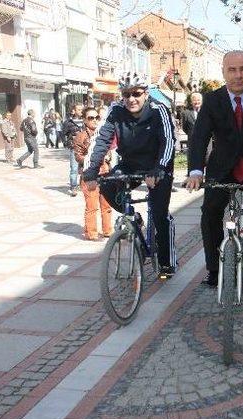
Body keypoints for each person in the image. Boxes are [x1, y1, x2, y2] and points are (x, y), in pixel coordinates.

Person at [184, 50, 243, 288]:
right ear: (224, 72)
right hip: (222, 169)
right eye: (232, 70)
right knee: (210, 214)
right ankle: (214, 269)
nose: (238, 75)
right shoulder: (212, 100)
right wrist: (196, 171)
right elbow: (199, 137)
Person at [83, 71, 177, 277]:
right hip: (130, 163)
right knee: (107, 186)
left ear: (145, 93)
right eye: (126, 94)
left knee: (159, 213)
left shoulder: (158, 109)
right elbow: (101, 141)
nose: (131, 99)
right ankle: (133, 219)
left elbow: (168, 141)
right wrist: (90, 171)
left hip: (158, 164)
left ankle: (166, 262)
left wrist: (159, 168)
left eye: (136, 93)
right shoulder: (116, 110)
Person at [73, 107, 112, 241]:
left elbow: (109, 151)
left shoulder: (103, 134)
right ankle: (91, 232)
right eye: (91, 118)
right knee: (92, 206)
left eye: (97, 117)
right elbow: (78, 156)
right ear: (84, 120)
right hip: (89, 175)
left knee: (107, 204)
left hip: (105, 172)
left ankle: (107, 230)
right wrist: (95, 159)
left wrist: (108, 156)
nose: (94, 120)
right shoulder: (81, 136)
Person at [63, 103, 84, 196]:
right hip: (74, 148)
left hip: (85, 148)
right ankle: (73, 187)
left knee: (85, 167)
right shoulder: (69, 122)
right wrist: (68, 142)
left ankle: (83, 184)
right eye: (79, 109)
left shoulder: (86, 120)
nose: (81, 111)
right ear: (74, 111)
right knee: (74, 168)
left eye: (82, 109)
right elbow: (63, 133)